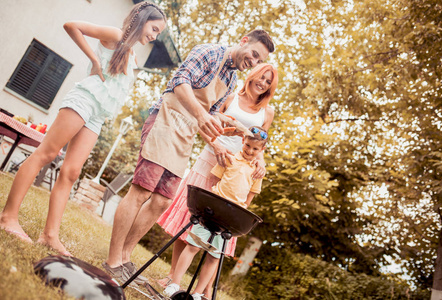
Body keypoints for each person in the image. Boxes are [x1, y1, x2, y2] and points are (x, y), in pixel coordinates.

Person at [102, 30, 275, 285]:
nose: (254, 62)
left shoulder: (229, 78)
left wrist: (226, 123)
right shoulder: (210, 52)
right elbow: (180, 81)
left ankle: (125, 257)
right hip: (166, 120)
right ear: (243, 42)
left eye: (259, 60)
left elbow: (212, 112)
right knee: (141, 192)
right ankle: (113, 260)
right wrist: (203, 115)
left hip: (186, 134)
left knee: (161, 201)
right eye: (254, 55)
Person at [0, 2, 167, 256]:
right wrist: (93, 59)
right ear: (142, 20)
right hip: (84, 100)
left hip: (96, 115)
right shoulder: (116, 35)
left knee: (71, 172)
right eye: (154, 29)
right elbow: (72, 26)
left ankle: (49, 235)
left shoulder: (132, 53)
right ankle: (8, 217)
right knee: (45, 153)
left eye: (158, 33)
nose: (154, 36)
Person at [156, 63, 278, 298]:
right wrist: (218, 140)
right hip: (212, 158)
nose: (262, 83)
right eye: (260, 77)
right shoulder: (230, 96)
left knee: (218, 228)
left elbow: (260, 143)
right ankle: (173, 278)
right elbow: (209, 117)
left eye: (268, 81)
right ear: (252, 76)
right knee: (190, 218)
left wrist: (260, 161)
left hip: (238, 170)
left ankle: (203, 289)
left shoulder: (267, 112)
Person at [163, 126, 269, 300]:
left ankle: (197, 294)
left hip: (231, 219)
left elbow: (249, 198)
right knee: (193, 246)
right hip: (213, 210)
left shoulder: (257, 172)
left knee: (214, 256)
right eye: (248, 145)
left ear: (262, 150)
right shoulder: (229, 158)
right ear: (243, 141)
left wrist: (238, 213)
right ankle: (174, 284)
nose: (250, 151)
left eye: (255, 148)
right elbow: (216, 180)